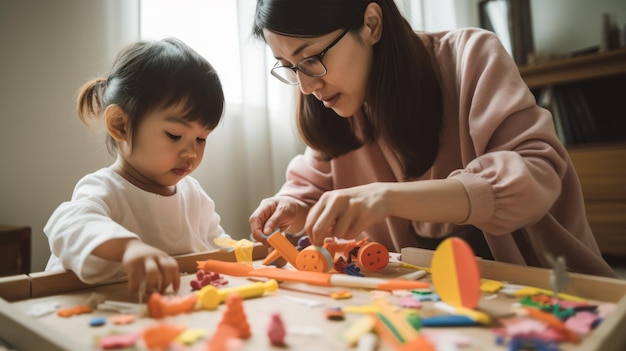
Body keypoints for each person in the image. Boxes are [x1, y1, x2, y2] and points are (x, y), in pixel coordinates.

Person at [248, 0, 616, 277]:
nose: (307, 85)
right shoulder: (332, 106)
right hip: (418, 292)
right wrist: (291, 207)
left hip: (542, 285)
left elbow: (535, 176)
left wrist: (386, 197)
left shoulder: (470, 56)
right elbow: (311, 189)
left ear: (372, 24)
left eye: (311, 58)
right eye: (289, 67)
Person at [45, 38, 231, 295]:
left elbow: (220, 248)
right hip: (85, 313)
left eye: (201, 139)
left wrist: (260, 253)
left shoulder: (194, 196)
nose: (192, 153)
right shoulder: (105, 189)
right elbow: (66, 225)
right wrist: (128, 247)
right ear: (120, 124)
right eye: (175, 135)